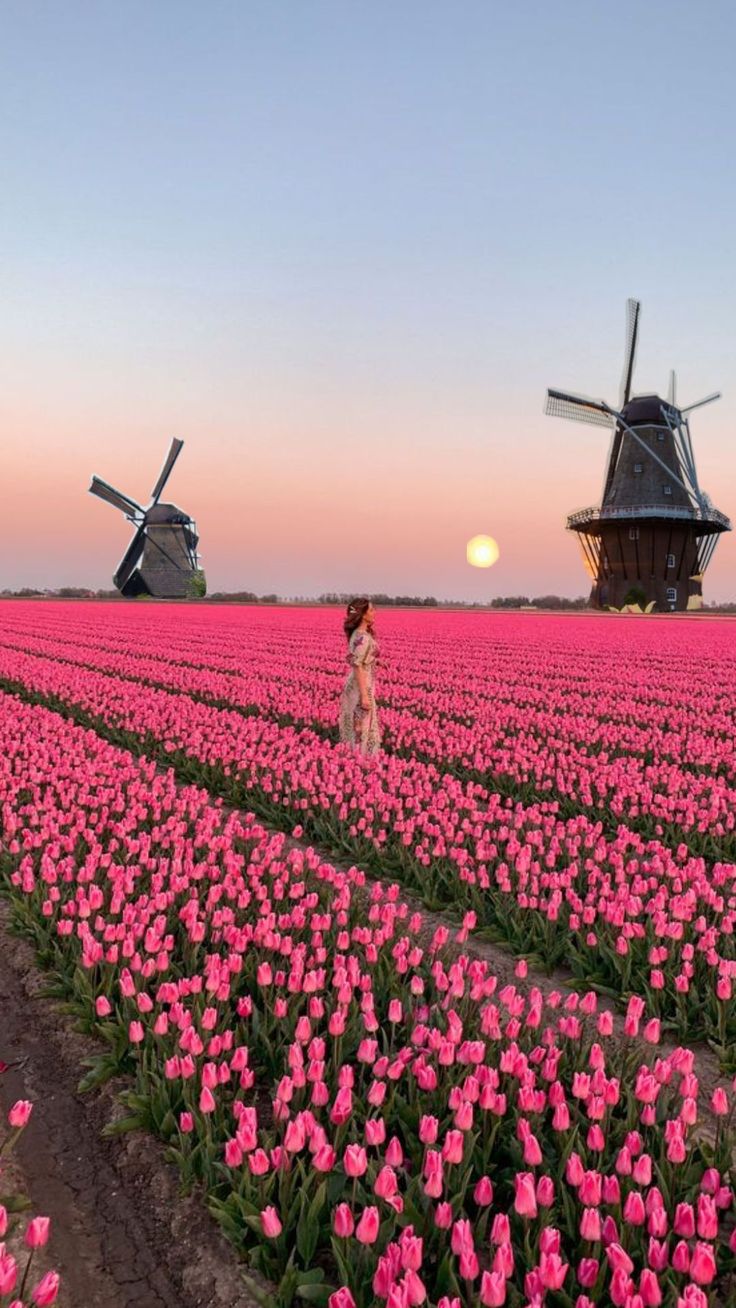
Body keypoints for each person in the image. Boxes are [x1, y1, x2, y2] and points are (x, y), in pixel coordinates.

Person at [339, 598, 381, 755]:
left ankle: (354, 758)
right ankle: (362, 762)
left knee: (357, 725)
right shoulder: (362, 637)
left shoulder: (357, 634)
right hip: (361, 685)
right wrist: (364, 695)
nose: (374, 612)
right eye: (371, 610)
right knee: (362, 727)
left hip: (356, 684)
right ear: (363, 614)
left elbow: (356, 657)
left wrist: (375, 661)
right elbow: (357, 665)